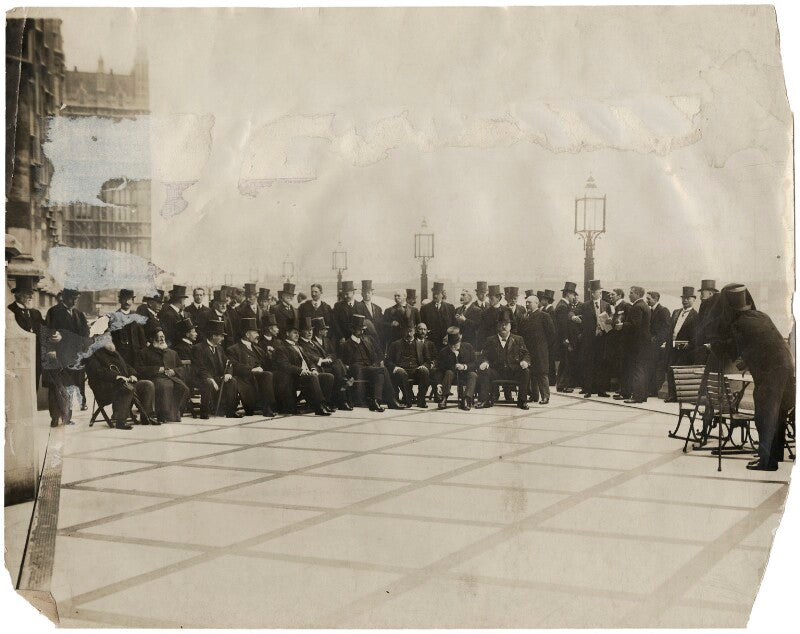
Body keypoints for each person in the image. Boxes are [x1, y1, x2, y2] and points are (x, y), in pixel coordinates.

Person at [727, 286, 794, 471]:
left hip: (770, 372)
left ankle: (767, 461)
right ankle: (775, 455)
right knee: (778, 413)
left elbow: (743, 353)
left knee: (765, 415)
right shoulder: (761, 316)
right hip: (787, 367)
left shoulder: (739, 323)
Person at [85, 336, 156, 429]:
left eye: (110, 337)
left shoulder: (114, 352)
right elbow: (97, 372)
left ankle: (146, 416)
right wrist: (116, 377)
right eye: (106, 337)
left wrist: (133, 374)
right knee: (127, 388)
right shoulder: (92, 354)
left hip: (124, 382)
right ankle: (121, 421)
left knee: (147, 385)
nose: (109, 339)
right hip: (106, 388)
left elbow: (127, 366)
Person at [340, 314, 404, 411]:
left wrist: (376, 363)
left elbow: (379, 354)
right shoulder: (345, 344)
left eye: (363, 329)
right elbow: (343, 362)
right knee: (382, 370)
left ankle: (375, 400)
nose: (362, 331)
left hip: (370, 368)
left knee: (380, 374)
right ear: (352, 329)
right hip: (357, 370)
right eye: (359, 329)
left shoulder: (368, 339)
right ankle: (391, 400)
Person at [44, 288, 90, 422]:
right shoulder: (53, 311)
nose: (75, 301)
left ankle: (67, 417)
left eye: (76, 298)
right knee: (56, 387)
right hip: (59, 356)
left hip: (74, 358)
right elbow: (48, 332)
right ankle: (54, 417)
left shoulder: (78, 314)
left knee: (69, 387)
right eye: (72, 298)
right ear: (64, 298)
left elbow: (85, 333)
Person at [274, 322, 334, 415]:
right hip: (295, 377)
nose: (297, 335)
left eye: (298, 333)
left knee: (328, 377)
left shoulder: (299, 347)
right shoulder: (282, 348)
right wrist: (301, 371)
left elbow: (309, 361)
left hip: (306, 374)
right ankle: (319, 407)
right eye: (294, 333)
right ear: (287, 333)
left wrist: (313, 369)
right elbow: (285, 365)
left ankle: (324, 404)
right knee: (312, 378)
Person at [476, 315, 531, 410]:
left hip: (512, 372)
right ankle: (484, 400)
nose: (504, 327)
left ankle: (522, 401)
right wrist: (485, 362)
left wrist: (525, 361)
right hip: (496, 372)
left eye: (506, 324)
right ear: (497, 326)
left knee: (525, 371)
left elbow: (526, 354)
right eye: (501, 324)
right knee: (484, 371)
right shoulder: (490, 340)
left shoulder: (518, 339)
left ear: (510, 326)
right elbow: (484, 355)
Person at [298, 317, 353, 410]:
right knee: (338, 371)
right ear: (302, 332)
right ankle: (342, 395)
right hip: (316, 367)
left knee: (338, 363)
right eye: (307, 330)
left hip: (324, 366)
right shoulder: (300, 343)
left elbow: (329, 354)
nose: (310, 332)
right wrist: (322, 360)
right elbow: (307, 356)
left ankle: (341, 394)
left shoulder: (313, 342)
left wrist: (327, 358)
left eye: (311, 330)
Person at [227, 317, 277, 417]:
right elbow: (234, 366)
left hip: (258, 379)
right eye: (255, 333)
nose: (258, 335)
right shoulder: (233, 349)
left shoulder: (258, 349)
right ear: (247, 334)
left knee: (268, 374)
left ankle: (267, 406)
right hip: (244, 378)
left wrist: (270, 357)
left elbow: (266, 365)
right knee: (266, 375)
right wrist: (251, 370)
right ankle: (263, 406)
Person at [137, 328, 189, 423]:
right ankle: (162, 414)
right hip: (154, 378)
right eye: (160, 337)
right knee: (165, 386)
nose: (162, 339)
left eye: (163, 337)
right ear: (153, 340)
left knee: (183, 387)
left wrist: (174, 371)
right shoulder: (144, 353)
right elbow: (140, 369)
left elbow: (182, 368)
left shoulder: (172, 353)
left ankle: (173, 413)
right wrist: (157, 369)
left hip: (172, 377)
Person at [191, 319, 240, 418]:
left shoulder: (219, 349)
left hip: (217, 378)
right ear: (213, 336)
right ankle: (204, 412)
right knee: (208, 382)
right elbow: (200, 368)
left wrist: (228, 373)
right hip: (202, 378)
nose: (223, 338)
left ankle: (230, 411)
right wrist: (211, 379)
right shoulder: (198, 348)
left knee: (232, 380)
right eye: (221, 336)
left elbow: (228, 363)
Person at [573, 280, 612, 398]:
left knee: (601, 365)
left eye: (600, 291)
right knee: (589, 365)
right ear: (592, 293)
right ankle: (588, 390)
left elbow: (610, 321)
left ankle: (601, 390)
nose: (599, 294)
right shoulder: (585, 305)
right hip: (589, 340)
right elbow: (572, 313)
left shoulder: (606, 305)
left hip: (602, 339)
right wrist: (574, 317)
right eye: (597, 292)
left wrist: (607, 325)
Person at [8, 276, 44, 389]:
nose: (31, 296)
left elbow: (44, 332)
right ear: (17, 294)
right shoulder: (10, 311)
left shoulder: (36, 313)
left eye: (32, 293)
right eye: (27, 293)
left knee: (34, 388)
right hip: (19, 360)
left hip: (35, 359)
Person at [385, 324, 434, 408]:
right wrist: (395, 368)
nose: (409, 333)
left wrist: (424, 366)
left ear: (414, 331)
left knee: (424, 371)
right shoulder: (395, 344)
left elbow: (428, 361)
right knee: (402, 373)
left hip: (416, 370)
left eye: (411, 331)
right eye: (407, 331)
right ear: (403, 331)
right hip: (401, 369)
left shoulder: (421, 345)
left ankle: (421, 400)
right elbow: (388, 361)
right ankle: (408, 400)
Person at [617, 286, 651, 403]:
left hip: (637, 344)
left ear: (637, 294)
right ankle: (642, 395)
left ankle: (637, 396)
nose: (629, 295)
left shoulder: (637, 307)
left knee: (637, 370)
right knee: (641, 369)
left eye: (631, 293)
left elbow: (635, 325)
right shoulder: (645, 306)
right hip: (644, 344)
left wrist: (622, 325)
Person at [665, 286, 699, 401]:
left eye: (688, 298)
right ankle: (672, 395)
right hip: (672, 347)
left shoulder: (696, 316)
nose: (685, 300)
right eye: (683, 298)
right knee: (670, 370)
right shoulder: (676, 312)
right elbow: (670, 329)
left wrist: (688, 345)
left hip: (686, 350)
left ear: (694, 299)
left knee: (682, 372)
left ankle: (682, 396)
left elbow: (695, 336)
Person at [520, 292, 555, 404]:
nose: (527, 304)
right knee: (531, 374)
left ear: (536, 303)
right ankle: (534, 396)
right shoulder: (525, 317)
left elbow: (552, 334)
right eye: (526, 303)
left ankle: (545, 396)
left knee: (542, 373)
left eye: (529, 302)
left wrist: (544, 346)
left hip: (540, 350)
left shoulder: (544, 316)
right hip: (528, 350)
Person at [438, 327, 478, 410]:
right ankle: (444, 398)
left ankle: (467, 399)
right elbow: (440, 369)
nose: (454, 346)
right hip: (451, 377)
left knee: (473, 375)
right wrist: (439, 384)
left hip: (466, 374)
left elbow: (475, 364)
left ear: (460, 339)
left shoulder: (468, 347)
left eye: (456, 344)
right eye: (451, 344)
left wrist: (464, 366)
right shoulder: (444, 351)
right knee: (449, 372)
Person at [109, 289, 148, 369]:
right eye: (124, 299)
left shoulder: (136, 317)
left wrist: (142, 352)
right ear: (120, 300)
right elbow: (111, 339)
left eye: (129, 299)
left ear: (132, 301)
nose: (127, 302)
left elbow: (142, 338)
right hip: (121, 356)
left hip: (136, 356)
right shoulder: (114, 318)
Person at [554, 282, 579, 393]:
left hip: (564, 340)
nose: (574, 297)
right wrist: (566, 340)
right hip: (565, 340)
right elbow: (562, 326)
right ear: (568, 294)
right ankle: (563, 385)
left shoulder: (562, 305)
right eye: (573, 294)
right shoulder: (563, 307)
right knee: (566, 362)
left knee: (564, 362)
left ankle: (561, 384)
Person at [646, 290, 671, 397]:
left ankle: (655, 390)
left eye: (648, 299)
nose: (647, 301)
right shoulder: (650, 310)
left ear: (655, 299)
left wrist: (656, 340)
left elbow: (666, 328)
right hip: (650, 344)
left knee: (656, 367)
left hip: (657, 345)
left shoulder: (663, 310)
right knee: (650, 366)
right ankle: (650, 389)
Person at [419, 281, 456, 351]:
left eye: (437, 293)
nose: (435, 296)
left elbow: (454, 325)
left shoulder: (450, 308)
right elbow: (422, 325)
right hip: (431, 343)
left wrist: (449, 336)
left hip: (446, 343)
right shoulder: (425, 309)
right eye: (434, 293)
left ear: (442, 294)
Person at [608, 288, 631, 398]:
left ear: (619, 295)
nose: (610, 296)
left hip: (623, 341)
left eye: (613, 294)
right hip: (617, 341)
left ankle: (624, 390)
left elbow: (628, 322)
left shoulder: (626, 306)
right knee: (619, 365)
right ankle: (621, 389)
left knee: (624, 366)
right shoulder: (616, 307)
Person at [694, 279, 719, 364]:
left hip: (709, 345)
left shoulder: (716, 306)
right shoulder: (704, 305)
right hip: (702, 344)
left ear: (711, 293)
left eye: (702, 294)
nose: (700, 297)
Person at [355, 280, 384, 346]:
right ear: (361, 294)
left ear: (372, 293)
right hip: (364, 339)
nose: (366, 294)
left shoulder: (378, 308)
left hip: (377, 339)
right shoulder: (357, 306)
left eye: (368, 292)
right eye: (364, 292)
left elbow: (381, 324)